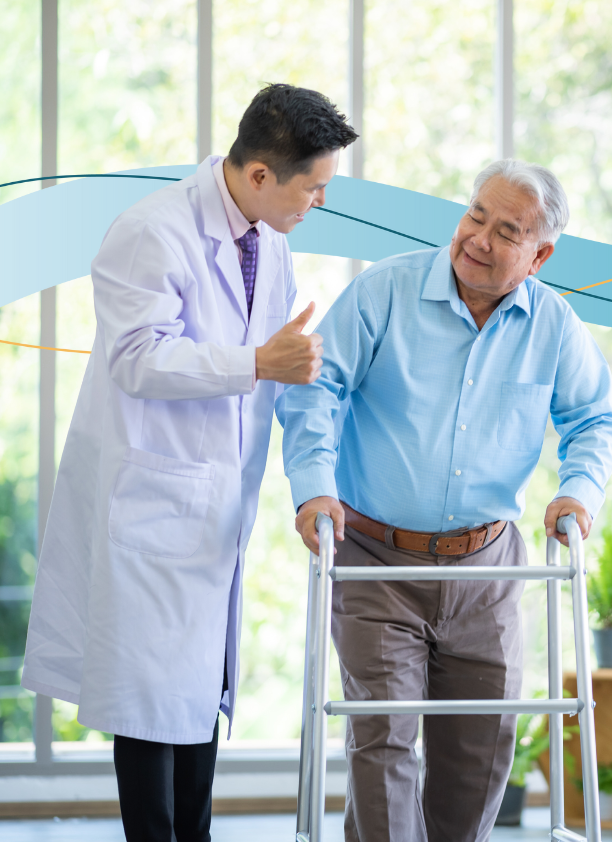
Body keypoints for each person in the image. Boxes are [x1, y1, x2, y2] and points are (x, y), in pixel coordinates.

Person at [22, 83, 357, 842]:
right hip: (151, 500)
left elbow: (275, 360)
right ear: (263, 176)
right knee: (147, 705)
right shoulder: (152, 231)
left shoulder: (270, 241)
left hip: (211, 507)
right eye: (314, 187)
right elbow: (137, 359)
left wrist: (286, 374)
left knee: (198, 697)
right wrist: (257, 363)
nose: (319, 203)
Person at [277, 158, 612, 842]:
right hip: (376, 559)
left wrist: (578, 494)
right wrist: (314, 486)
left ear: (540, 253)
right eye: (475, 216)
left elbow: (595, 420)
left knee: (480, 752)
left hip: (488, 569)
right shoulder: (385, 291)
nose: (479, 239)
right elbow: (317, 389)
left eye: (507, 231)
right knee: (384, 744)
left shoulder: (552, 324)